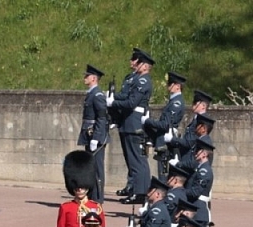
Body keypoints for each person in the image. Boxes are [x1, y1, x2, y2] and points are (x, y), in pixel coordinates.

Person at [108, 49, 154, 205]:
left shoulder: (143, 81)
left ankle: (141, 192)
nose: (137, 64)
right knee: (132, 159)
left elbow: (131, 102)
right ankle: (137, 189)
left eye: (140, 62)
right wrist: (112, 96)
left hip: (134, 122)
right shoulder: (136, 79)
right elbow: (126, 95)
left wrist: (113, 103)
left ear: (145, 66)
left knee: (137, 160)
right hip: (129, 121)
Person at [55, 150, 106, 227]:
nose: (79, 190)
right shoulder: (65, 207)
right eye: (77, 188)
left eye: (82, 187)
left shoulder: (96, 207)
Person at [143, 71, 186, 178]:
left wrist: (148, 121)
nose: (168, 86)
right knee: (162, 171)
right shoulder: (173, 101)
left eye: (171, 84)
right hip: (163, 139)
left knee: (164, 173)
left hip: (167, 140)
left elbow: (166, 124)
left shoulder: (177, 103)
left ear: (178, 86)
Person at [77, 65, 109, 203]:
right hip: (89, 134)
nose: (85, 78)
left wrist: (96, 138)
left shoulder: (97, 95)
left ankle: (97, 198)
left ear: (94, 78)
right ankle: (92, 195)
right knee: (90, 167)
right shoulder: (91, 93)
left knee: (97, 168)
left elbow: (101, 118)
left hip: (95, 135)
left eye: (87, 76)